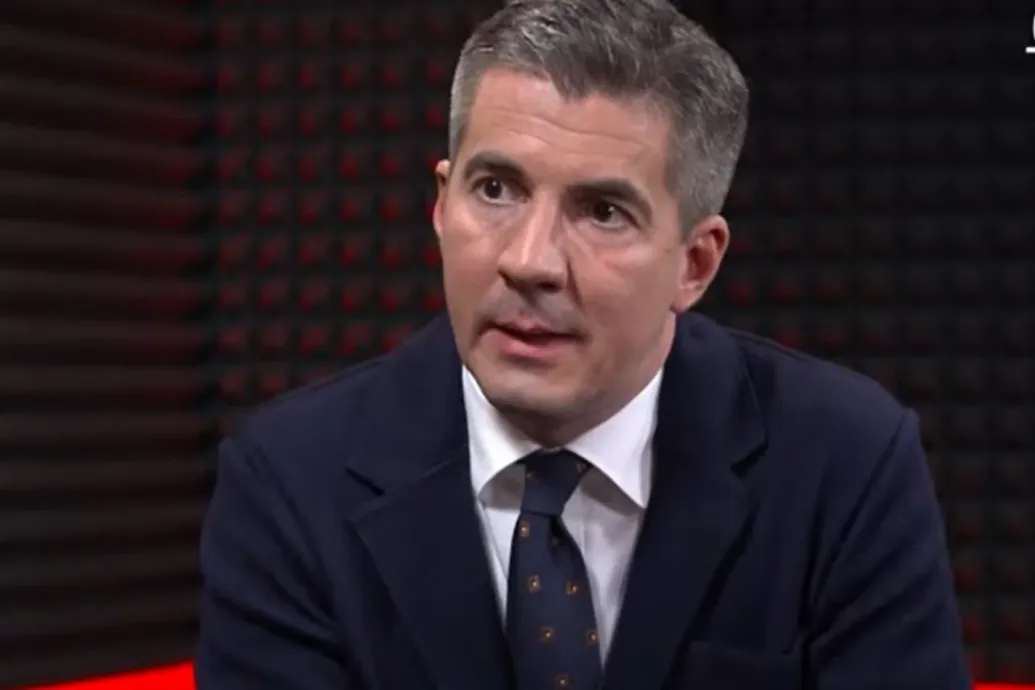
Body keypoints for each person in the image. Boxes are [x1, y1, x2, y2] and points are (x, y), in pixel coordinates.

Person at [195, 0, 970, 687]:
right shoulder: (288, 481)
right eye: (495, 189)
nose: (529, 261)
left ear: (694, 264)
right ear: (440, 205)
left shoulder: (844, 461)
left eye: (602, 211)